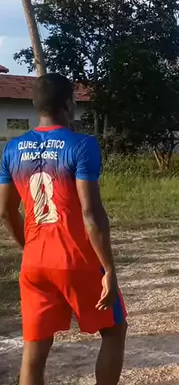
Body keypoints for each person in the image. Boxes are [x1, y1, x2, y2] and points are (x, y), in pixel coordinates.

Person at [0, 73, 127, 385]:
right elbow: (91, 213)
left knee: (35, 347)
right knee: (114, 329)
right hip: (77, 260)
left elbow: (5, 212)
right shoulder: (82, 144)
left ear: (35, 105)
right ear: (69, 104)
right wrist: (109, 269)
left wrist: (28, 247)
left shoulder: (12, 149)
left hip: (34, 264)